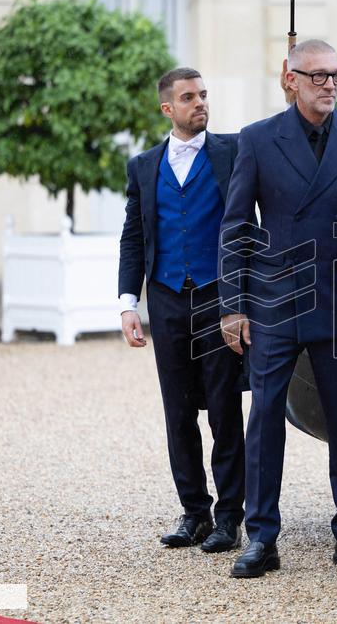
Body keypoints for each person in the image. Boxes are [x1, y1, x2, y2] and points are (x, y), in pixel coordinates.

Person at [218, 39, 337, 578]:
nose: (329, 85)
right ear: (289, 78)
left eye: (336, 76)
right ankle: (261, 538)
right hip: (274, 301)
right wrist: (233, 306)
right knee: (265, 418)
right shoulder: (256, 139)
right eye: (317, 76)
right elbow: (235, 226)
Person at [118, 67, 246, 553]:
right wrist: (128, 302)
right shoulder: (143, 166)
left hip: (220, 298)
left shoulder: (233, 152)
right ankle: (194, 511)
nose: (200, 103)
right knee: (177, 413)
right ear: (167, 108)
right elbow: (134, 237)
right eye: (189, 97)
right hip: (168, 297)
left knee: (223, 409)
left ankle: (230, 516)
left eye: (204, 95)